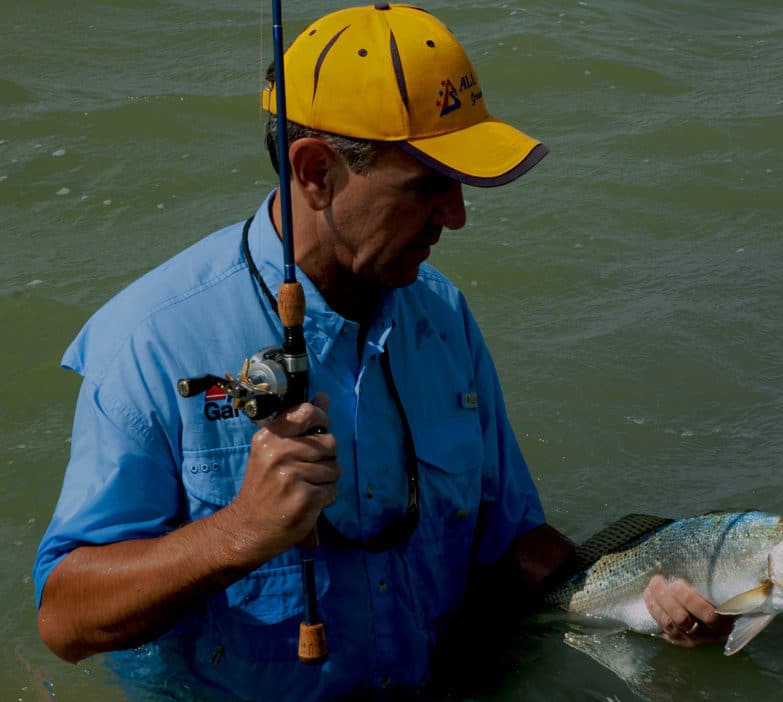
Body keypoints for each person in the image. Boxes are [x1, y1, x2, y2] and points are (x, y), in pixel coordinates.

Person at [33, 3, 729, 699]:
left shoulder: (442, 313)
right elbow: (65, 620)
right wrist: (240, 532)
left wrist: (655, 591)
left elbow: (511, 542)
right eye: (428, 184)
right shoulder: (151, 341)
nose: (456, 215)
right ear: (315, 172)